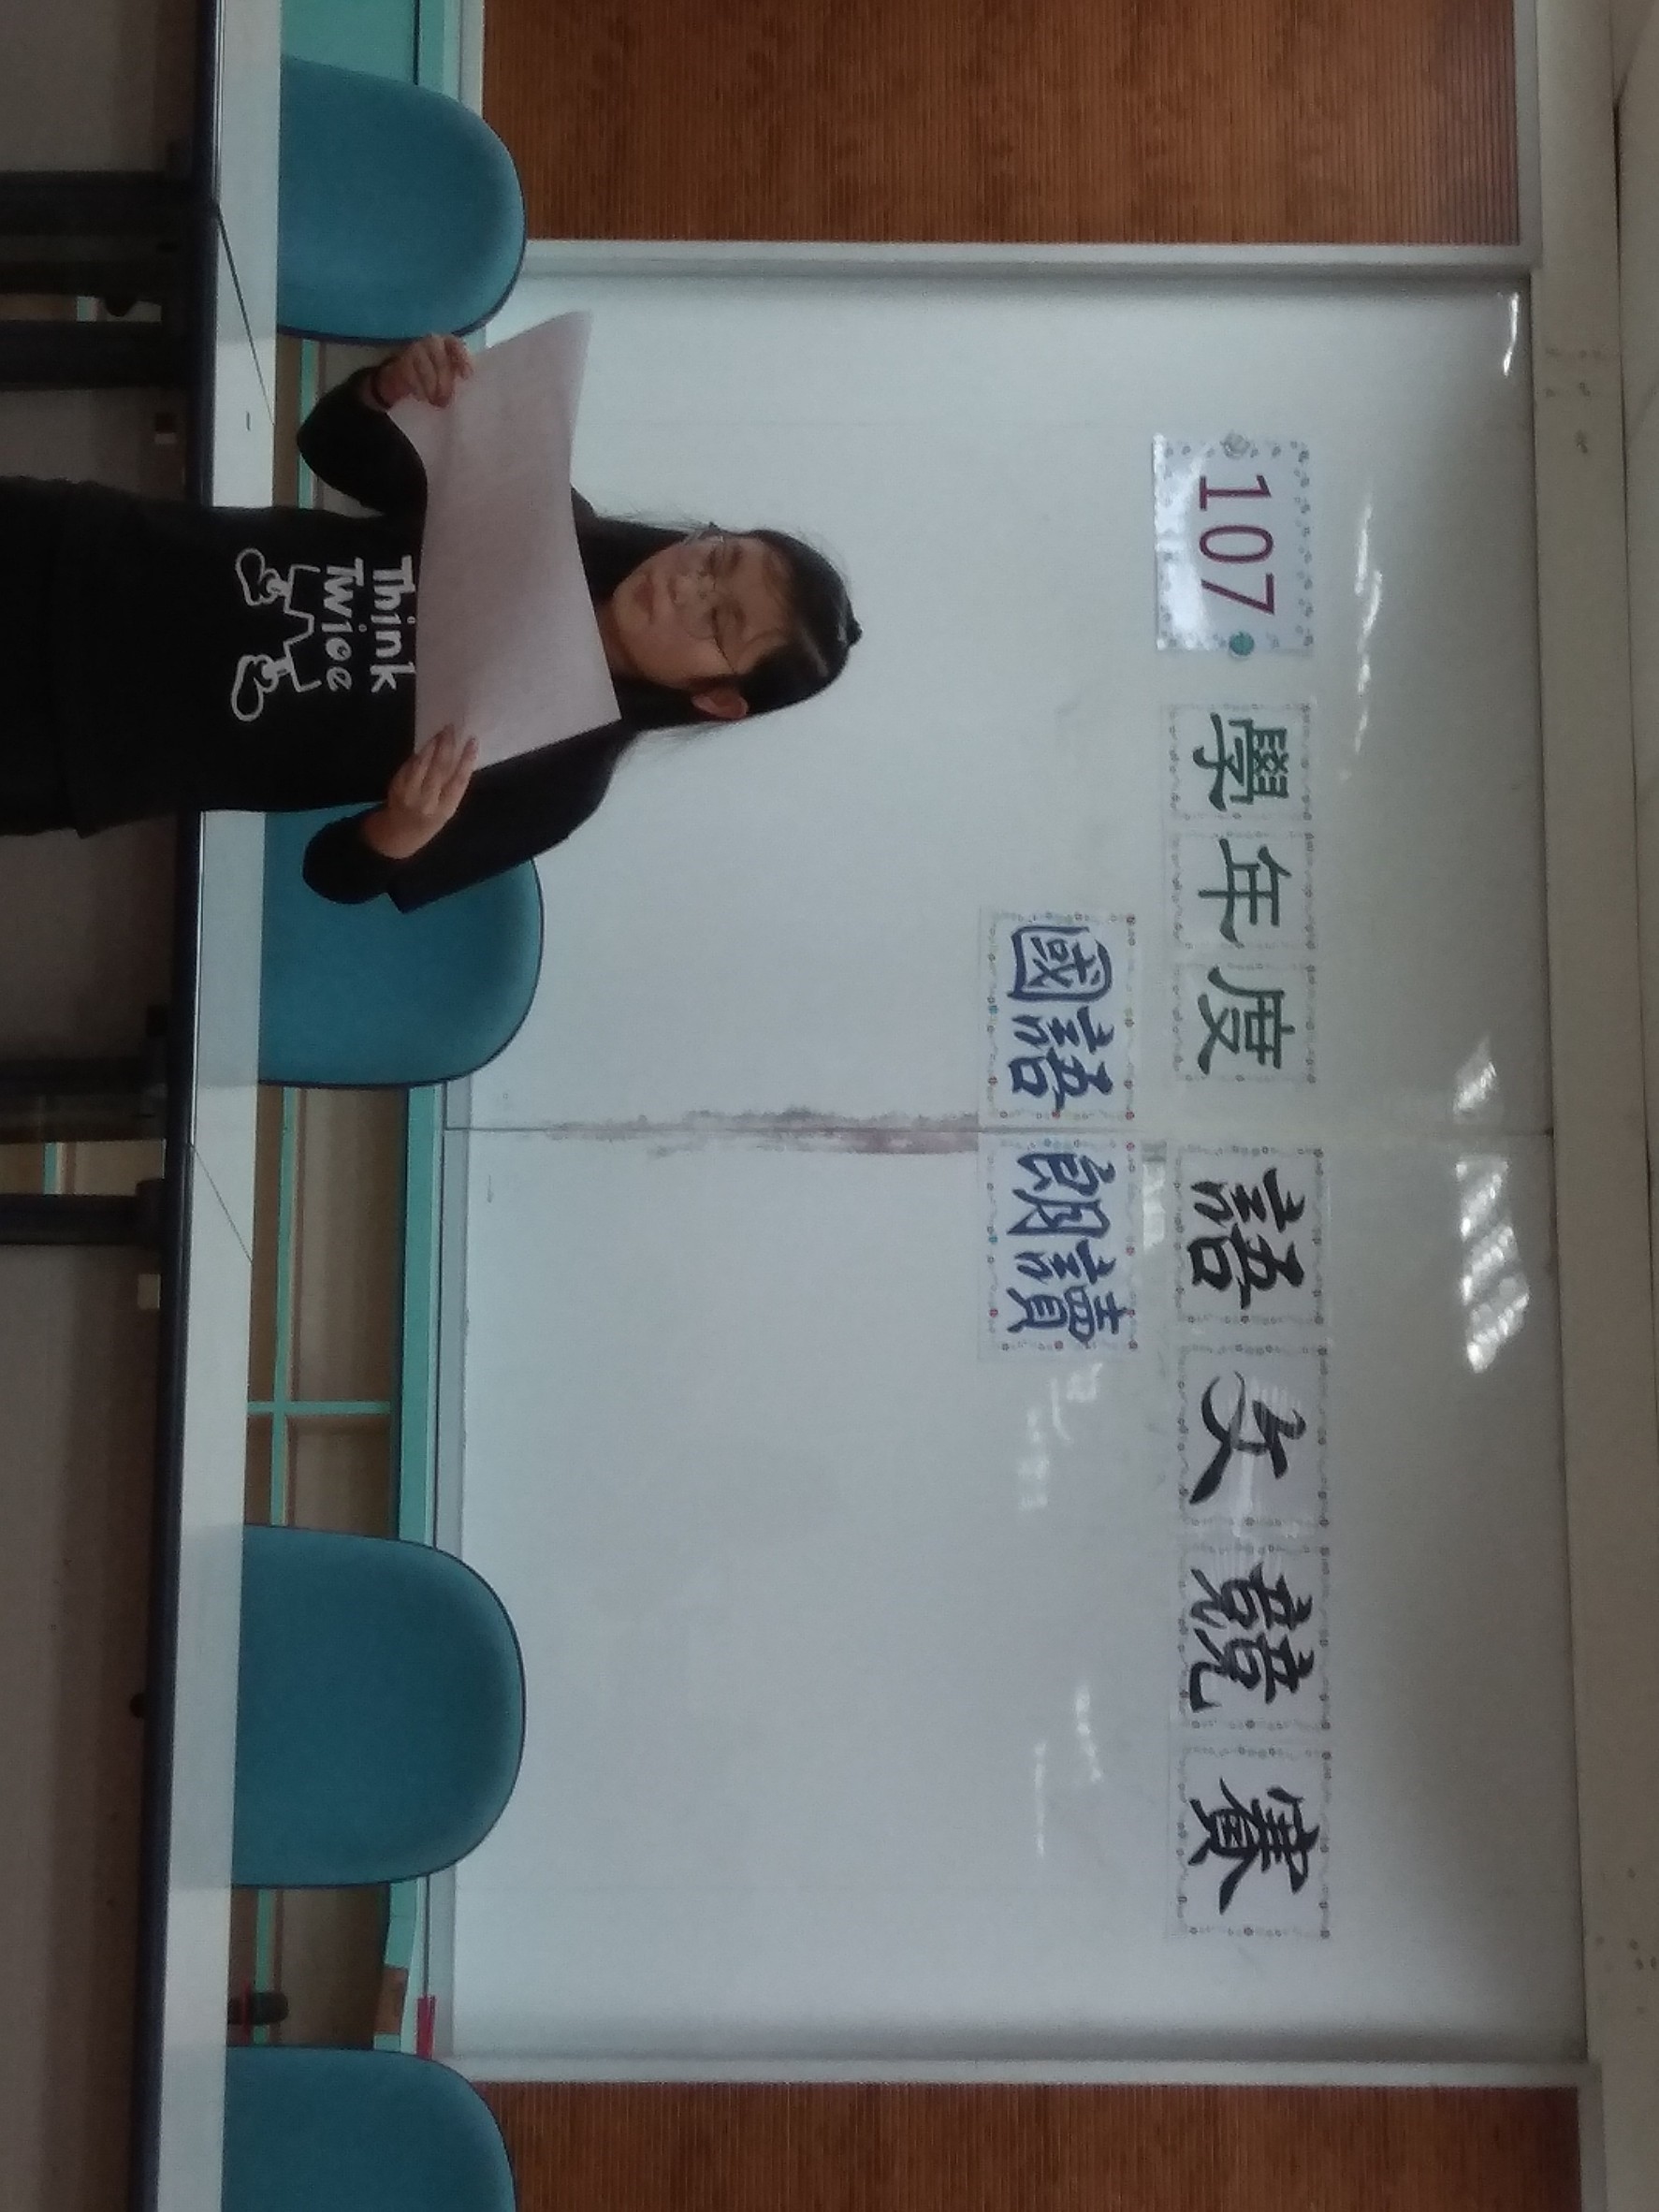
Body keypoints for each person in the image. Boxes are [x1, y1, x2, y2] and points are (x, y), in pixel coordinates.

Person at [0, 333, 859, 909]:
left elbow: (334, 874)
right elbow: (329, 443)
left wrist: (399, 832)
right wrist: (389, 386)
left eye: (719, 623)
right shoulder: (541, 517)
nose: (684, 589)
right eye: (714, 559)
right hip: (89, 556)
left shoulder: (558, 783)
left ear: (717, 698)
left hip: (85, 742)